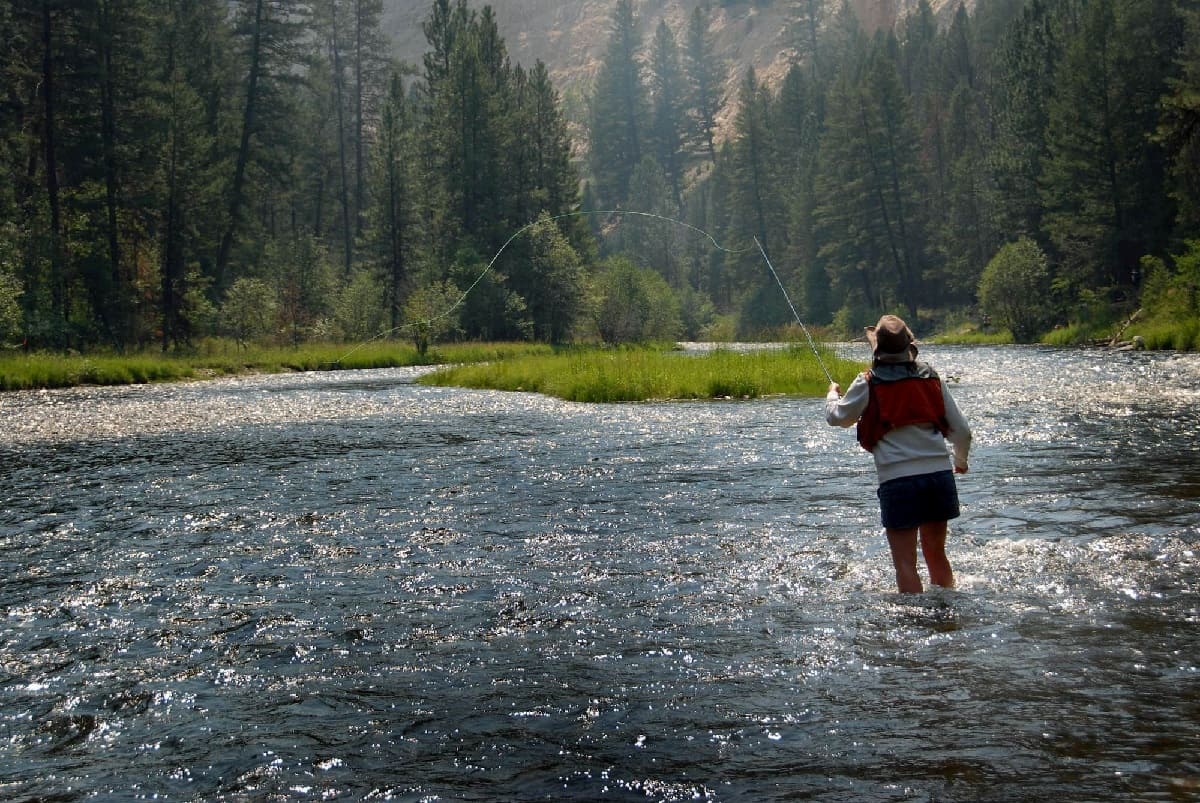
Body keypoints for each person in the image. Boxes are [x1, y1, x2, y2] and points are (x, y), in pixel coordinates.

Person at [825, 314, 972, 594]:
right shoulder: (931, 377)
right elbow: (962, 431)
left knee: (905, 564)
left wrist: (832, 394)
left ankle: (913, 626)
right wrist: (960, 461)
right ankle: (947, 616)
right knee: (936, 554)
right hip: (938, 477)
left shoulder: (868, 381)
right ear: (909, 346)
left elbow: (838, 418)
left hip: (898, 482)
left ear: (877, 349)